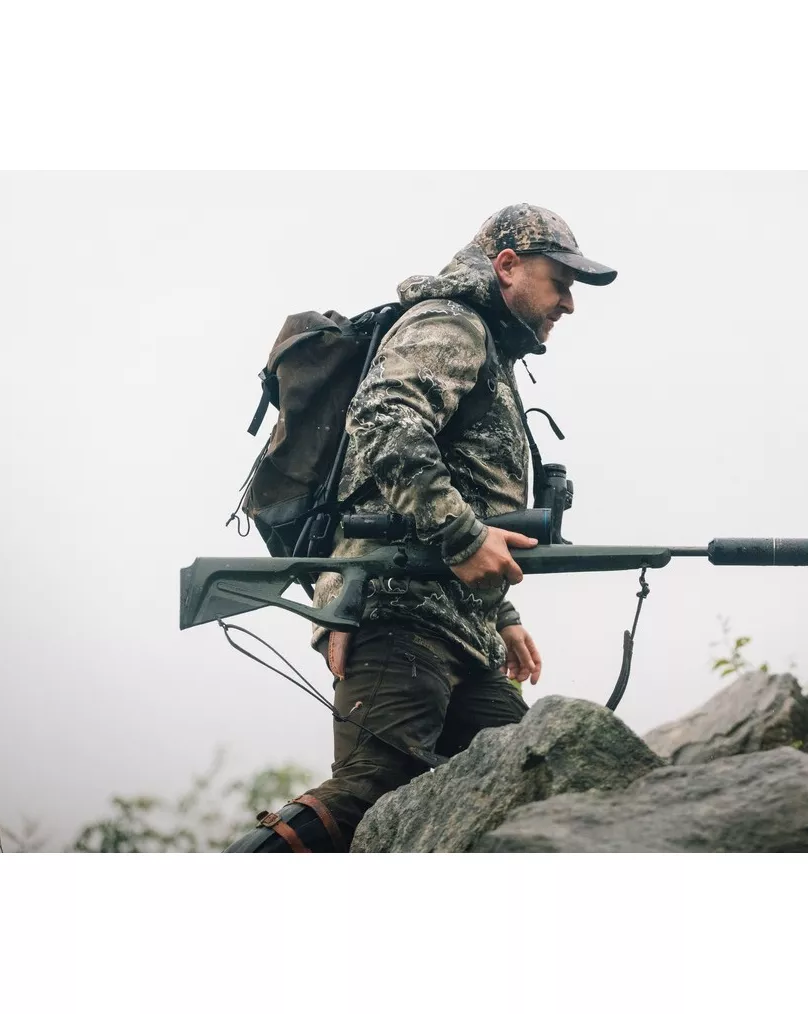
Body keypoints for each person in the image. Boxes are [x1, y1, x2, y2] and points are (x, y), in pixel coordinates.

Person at [226, 203, 617, 852]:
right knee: (374, 793)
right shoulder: (450, 323)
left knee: (525, 778)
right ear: (508, 266)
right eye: (561, 282)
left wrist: (500, 612)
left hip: (457, 628)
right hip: (395, 613)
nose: (569, 304)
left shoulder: (484, 342)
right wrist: (464, 539)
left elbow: (466, 498)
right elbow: (385, 420)